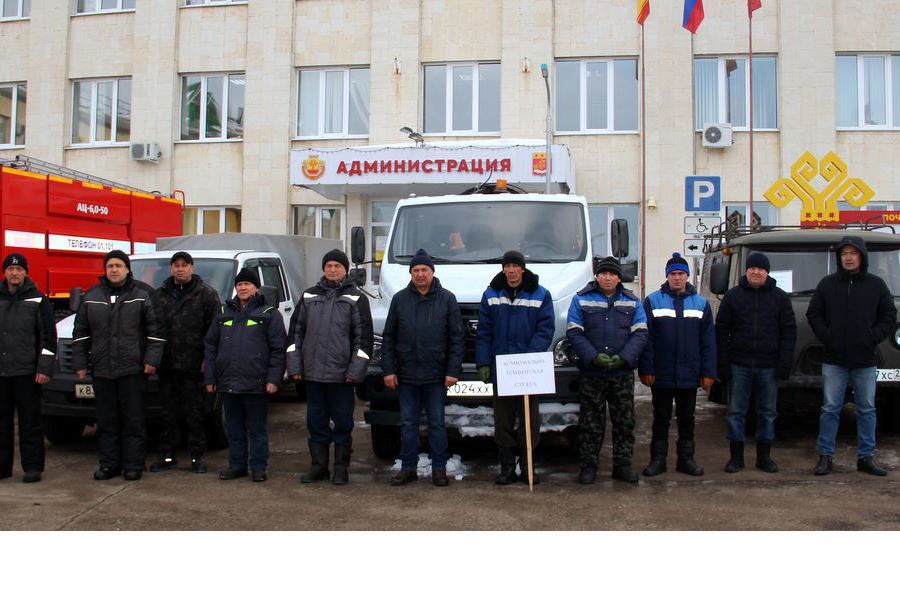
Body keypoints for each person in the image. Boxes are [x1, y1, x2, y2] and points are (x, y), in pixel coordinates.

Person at [807, 236, 897, 476]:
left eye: (853, 253)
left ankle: (866, 457)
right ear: (839, 257)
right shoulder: (827, 285)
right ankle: (825, 457)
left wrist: (872, 336)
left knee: (866, 409)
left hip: (865, 360)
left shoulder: (876, 285)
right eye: (844, 253)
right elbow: (814, 313)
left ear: (862, 256)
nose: (848, 257)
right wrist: (828, 336)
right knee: (830, 409)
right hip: (834, 360)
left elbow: (888, 315)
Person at [73, 249, 164, 481]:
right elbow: (81, 334)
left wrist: (151, 360)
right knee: (106, 421)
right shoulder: (91, 296)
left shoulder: (143, 294)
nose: (114, 270)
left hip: (132, 370)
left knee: (133, 420)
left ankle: (134, 465)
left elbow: (156, 332)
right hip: (102, 370)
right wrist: (81, 362)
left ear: (126, 269)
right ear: (105, 270)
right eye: (110, 266)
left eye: (118, 266)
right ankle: (109, 464)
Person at [287, 249, 373, 485]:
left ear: (345, 270)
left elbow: (363, 340)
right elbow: (295, 334)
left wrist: (355, 372)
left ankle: (341, 469)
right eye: (329, 266)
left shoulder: (356, 298)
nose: (333, 269)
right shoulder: (308, 296)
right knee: (315, 423)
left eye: (337, 266)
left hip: (342, 378)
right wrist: (295, 368)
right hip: (313, 376)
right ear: (323, 269)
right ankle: (318, 467)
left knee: (343, 424)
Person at [382, 249, 465, 487]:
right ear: (411, 273)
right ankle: (408, 468)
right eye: (416, 270)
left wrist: (452, 371)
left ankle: (439, 468)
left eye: (424, 270)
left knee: (437, 424)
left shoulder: (447, 299)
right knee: (409, 424)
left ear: (432, 272)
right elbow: (388, 337)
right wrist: (389, 370)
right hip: (406, 375)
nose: (420, 274)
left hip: (436, 376)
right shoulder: (399, 300)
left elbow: (456, 338)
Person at [566, 256, 648, 484]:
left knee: (624, 422)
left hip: (621, 373)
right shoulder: (581, 299)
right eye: (604, 273)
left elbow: (641, 332)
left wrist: (624, 358)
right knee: (591, 423)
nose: (608, 277)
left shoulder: (632, 301)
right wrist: (593, 357)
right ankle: (589, 466)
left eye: (612, 274)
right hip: (592, 373)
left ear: (619, 277)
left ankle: (622, 465)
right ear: (597, 276)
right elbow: (574, 331)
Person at [476, 250, 554, 485]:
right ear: (503, 269)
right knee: (503, 420)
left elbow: (545, 329)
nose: (510, 270)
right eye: (506, 266)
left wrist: (530, 357)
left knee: (529, 420)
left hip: (529, 370)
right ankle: (507, 467)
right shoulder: (491, 294)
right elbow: (484, 331)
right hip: (503, 369)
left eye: (514, 266)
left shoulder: (540, 294)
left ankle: (528, 466)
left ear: (522, 269)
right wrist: (483, 362)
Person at [715, 252, 796, 473]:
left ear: (767, 272)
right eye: (752, 268)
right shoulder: (733, 296)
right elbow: (721, 331)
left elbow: (789, 332)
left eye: (761, 269)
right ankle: (737, 458)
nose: (756, 272)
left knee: (767, 413)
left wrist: (784, 364)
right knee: (736, 412)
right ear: (747, 270)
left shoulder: (779, 298)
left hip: (768, 367)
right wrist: (723, 364)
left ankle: (764, 458)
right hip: (739, 365)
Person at [638, 252, 716, 477]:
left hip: (689, 374)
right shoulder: (653, 301)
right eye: (673, 274)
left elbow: (708, 341)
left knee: (687, 420)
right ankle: (658, 460)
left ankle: (686, 460)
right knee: (660, 419)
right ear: (667, 276)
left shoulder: (701, 303)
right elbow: (646, 339)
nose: (677, 278)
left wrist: (708, 371)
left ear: (688, 276)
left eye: (681, 273)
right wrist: (647, 368)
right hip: (661, 374)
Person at [204, 268, 286, 483]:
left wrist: (273, 379)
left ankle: (258, 467)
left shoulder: (269, 313)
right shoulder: (223, 312)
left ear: (256, 288)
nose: (242, 288)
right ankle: (237, 465)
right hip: (228, 383)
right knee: (234, 428)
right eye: (239, 284)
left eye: (247, 284)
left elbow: (278, 349)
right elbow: (211, 346)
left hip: (256, 384)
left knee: (257, 429)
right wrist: (211, 378)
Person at [150, 251, 220, 474]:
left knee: (195, 414)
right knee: (167, 414)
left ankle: (197, 457)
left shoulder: (206, 294)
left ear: (192, 267)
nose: (180, 269)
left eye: (184, 265)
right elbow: (152, 329)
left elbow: (214, 332)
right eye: (176, 265)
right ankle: (167, 456)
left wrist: (207, 361)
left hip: (193, 366)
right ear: (171, 268)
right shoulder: (158, 295)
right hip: (167, 365)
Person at [0, 253, 56, 483]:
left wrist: (44, 369)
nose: (15, 273)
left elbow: (48, 340)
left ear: (26, 272)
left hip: (27, 373)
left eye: (19, 269)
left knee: (30, 423)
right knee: (1, 424)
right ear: (4, 272)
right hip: (1, 372)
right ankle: (2, 468)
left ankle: (32, 467)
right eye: (11, 269)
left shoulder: (38, 300)